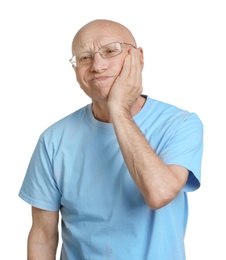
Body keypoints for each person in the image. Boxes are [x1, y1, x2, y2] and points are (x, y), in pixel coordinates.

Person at [19, 19, 203, 260]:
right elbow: (43, 237)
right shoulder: (53, 140)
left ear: (138, 58)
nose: (97, 65)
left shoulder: (180, 124)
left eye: (110, 51)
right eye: (84, 58)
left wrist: (118, 109)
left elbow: (159, 193)